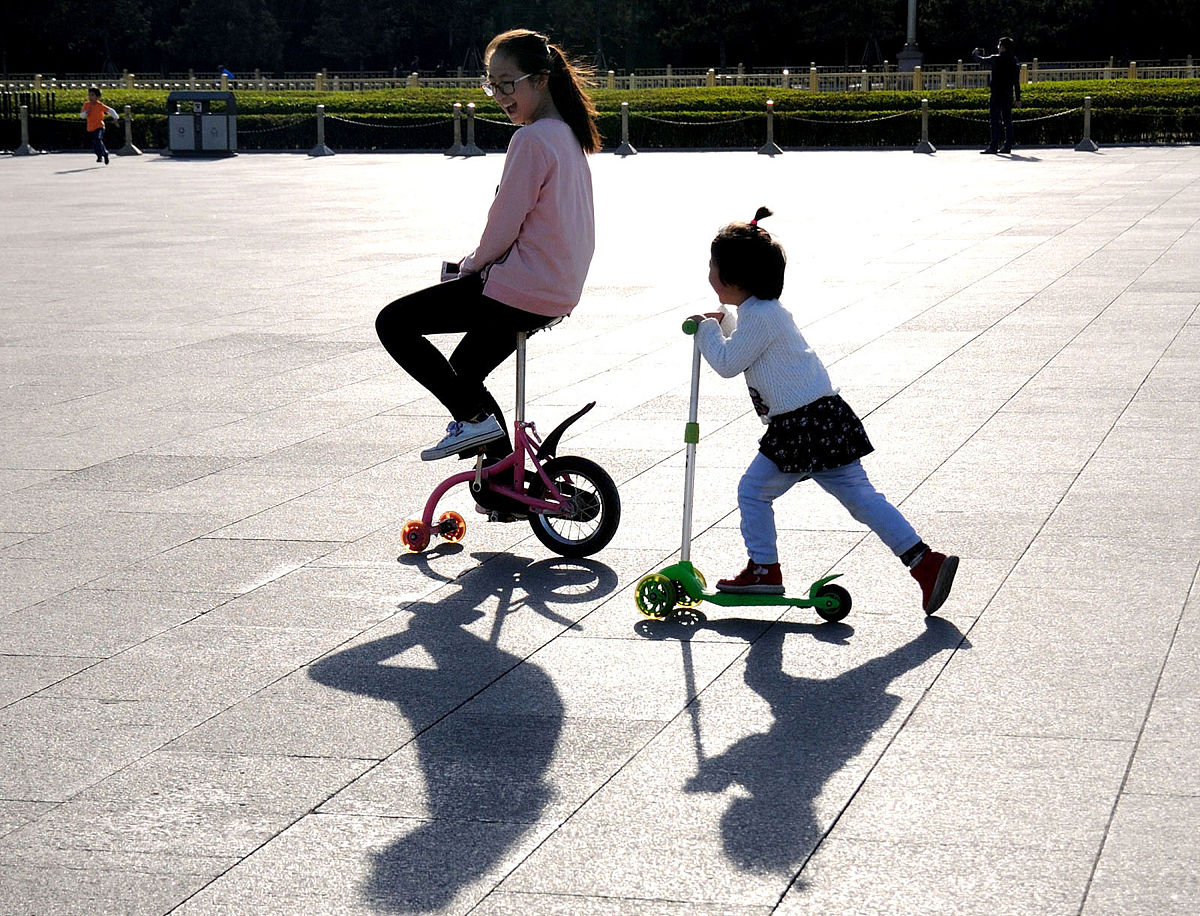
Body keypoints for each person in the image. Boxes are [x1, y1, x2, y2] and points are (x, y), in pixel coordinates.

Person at [688, 208, 959, 616]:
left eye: (712, 266)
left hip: (800, 425)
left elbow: (727, 363)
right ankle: (924, 561)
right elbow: (742, 348)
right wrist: (724, 322)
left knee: (752, 491)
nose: (708, 272)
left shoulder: (761, 317)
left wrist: (705, 329)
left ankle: (764, 569)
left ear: (732, 277)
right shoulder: (762, 313)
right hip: (824, 418)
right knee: (862, 498)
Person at [375, 29, 601, 463]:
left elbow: (503, 227)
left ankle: (474, 423)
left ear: (540, 80)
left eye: (507, 83)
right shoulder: (569, 136)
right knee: (464, 371)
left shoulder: (532, 139)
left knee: (394, 324)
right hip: (556, 291)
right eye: (491, 84)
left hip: (520, 289)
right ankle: (503, 480)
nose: (498, 94)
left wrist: (469, 266)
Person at [973, 37, 1022, 154]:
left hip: (996, 94)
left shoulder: (996, 58)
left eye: (999, 45)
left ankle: (993, 146)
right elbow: (1016, 82)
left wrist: (974, 54)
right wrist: (1018, 99)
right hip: (1008, 94)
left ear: (1003, 47)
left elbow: (981, 60)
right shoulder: (1014, 61)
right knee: (1007, 121)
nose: (998, 47)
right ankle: (1007, 146)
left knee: (994, 121)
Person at [80, 86, 119, 165]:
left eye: (92, 95)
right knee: (95, 143)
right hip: (91, 127)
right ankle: (100, 155)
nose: (90, 97)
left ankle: (104, 153)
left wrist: (115, 118)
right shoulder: (86, 105)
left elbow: (111, 110)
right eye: (89, 95)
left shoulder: (100, 105)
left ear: (97, 97)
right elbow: (82, 116)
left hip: (99, 126)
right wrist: (86, 112)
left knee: (98, 139)